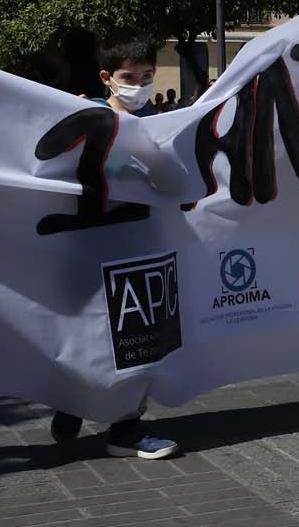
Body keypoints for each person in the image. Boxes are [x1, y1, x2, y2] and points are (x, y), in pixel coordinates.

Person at [48, 33, 181, 459]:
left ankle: (125, 426)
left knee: (136, 337)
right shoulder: (88, 116)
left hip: (138, 248)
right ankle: (74, 401)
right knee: (90, 333)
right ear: (108, 78)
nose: (139, 85)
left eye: (146, 76)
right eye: (129, 77)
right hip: (89, 245)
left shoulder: (161, 121)